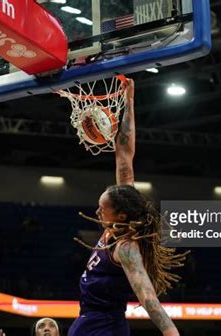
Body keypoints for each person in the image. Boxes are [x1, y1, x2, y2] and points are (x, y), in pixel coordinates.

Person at [68, 78, 187, 336]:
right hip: (89, 321)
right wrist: (129, 102)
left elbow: (145, 293)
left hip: (103, 326)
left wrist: (170, 331)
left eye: (103, 209)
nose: (98, 213)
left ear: (120, 215)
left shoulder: (126, 247)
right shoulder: (120, 215)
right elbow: (124, 153)